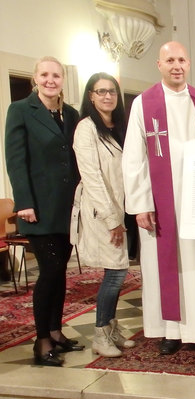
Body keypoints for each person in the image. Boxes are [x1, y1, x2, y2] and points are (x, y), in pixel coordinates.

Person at [122, 41, 195, 356]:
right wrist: (140, 204)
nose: (176, 65)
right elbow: (133, 158)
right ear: (159, 64)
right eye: (170, 60)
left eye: (181, 59)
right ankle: (170, 332)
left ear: (188, 63)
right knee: (161, 266)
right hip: (158, 202)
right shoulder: (143, 103)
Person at [5, 56, 84, 366]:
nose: (50, 80)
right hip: (36, 207)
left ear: (62, 79)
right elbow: (15, 159)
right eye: (44, 74)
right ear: (34, 78)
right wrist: (23, 201)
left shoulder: (72, 113)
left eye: (56, 75)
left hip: (67, 207)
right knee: (49, 272)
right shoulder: (21, 110)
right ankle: (41, 342)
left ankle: (56, 331)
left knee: (60, 271)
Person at [71, 72, 135, 357]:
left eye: (111, 91)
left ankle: (111, 327)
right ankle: (100, 334)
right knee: (115, 272)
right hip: (101, 211)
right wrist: (113, 220)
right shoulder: (86, 128)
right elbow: (92, 176)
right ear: (91, 96)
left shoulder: (119, 126)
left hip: (120, 208)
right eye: (101, 91)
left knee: (117, 270)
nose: (107, 96)